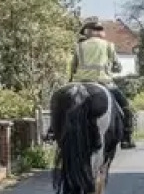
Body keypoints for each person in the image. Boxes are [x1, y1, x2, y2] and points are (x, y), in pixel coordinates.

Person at [50, 18, 138, 149]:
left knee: (60, 104)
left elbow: (72, 67)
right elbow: (117, 67)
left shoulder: (79, 47)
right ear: (97, 32)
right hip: (103, 82)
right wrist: (112, 68)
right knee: (126, 107)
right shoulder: (108, 46)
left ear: (88, 33)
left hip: (79, 81)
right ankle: (127, 137)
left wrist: (71, 80)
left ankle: (52, 130)